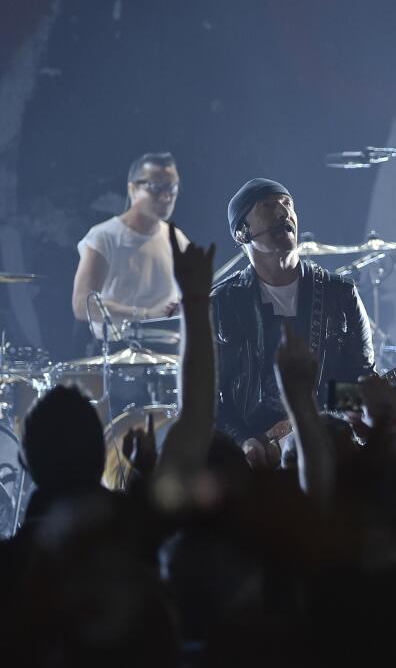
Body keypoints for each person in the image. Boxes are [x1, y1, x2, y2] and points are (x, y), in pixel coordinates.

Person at [210, 178, 374, 468]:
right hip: (256, 461)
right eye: (268, 206)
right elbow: (207, 396)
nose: (283, 212)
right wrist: (242, 440)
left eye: (288, 205)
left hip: (326, 454)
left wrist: (342, 422)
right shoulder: (223, 304)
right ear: (241, 232)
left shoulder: (340, 294)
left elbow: (359, 375)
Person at [72, 152, 190, 341]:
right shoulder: (104, 237)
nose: (166, 196)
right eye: (156, 187)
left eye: (172, 187)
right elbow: (82, 305)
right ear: (133, 189)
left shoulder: (177, 239)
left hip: (169, 355)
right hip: (118, 354)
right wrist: (146, 315)